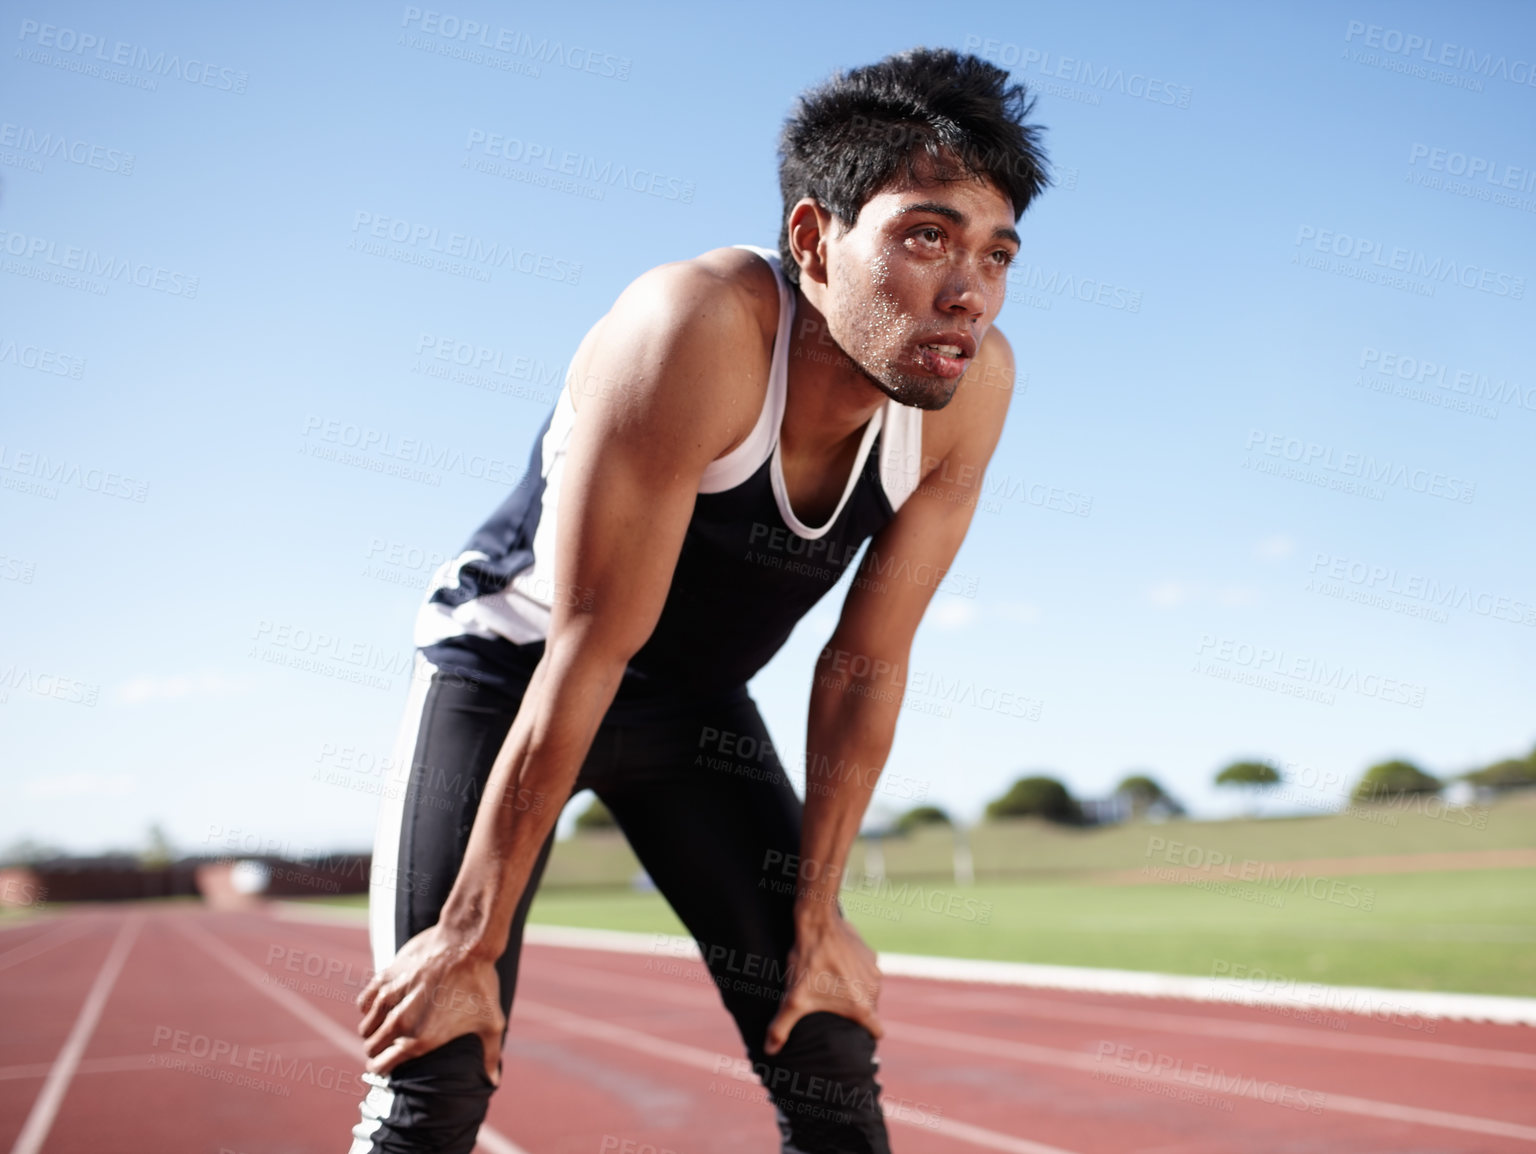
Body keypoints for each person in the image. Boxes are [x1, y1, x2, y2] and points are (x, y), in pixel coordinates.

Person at [349, 46, 1049, 1154]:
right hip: (515, 672)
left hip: (692, 712)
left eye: (996, 253)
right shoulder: (696, 326)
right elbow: (587, 645)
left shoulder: (971, 387)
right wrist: (469, 936)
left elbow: (865, 665)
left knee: (824, 1036)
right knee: (436, 1054)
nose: (968, 290)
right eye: (926, 236)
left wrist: (817, 918)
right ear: (814, 240)